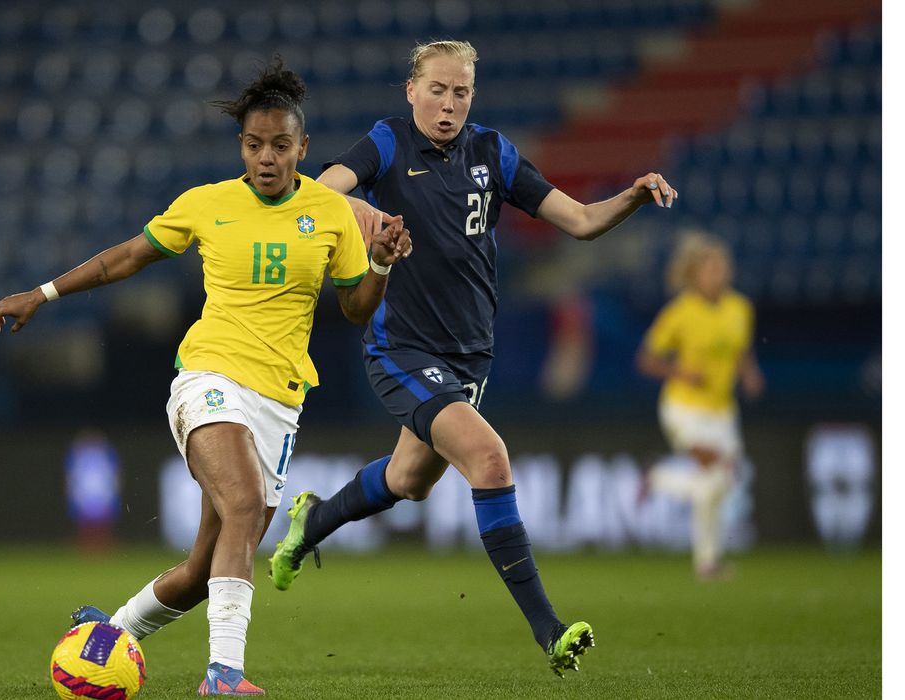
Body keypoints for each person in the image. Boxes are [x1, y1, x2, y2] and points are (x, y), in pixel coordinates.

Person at [0, 60, 410, 696]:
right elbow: (126, 257)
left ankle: (110, 631)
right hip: (206, 377)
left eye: (278, 145)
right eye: (252, 144)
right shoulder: (206, 204)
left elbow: (355, 309)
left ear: (303, 148)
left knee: (201, 568)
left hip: (279, 402)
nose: (265, 157)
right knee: (241, 504)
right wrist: (42, 294)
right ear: (241, 145)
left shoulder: (329, 213)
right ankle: (222, 676)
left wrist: (379, 263)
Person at [267, 39, 678, 677]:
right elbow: (321, 192)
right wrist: (373, 218)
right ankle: (550, 631)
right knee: (489, 459)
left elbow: (580, 220)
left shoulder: (494, 152)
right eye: (437, 89)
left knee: (409, 480)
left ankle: (313, 520)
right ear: (412, 91)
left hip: (469, 356)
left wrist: (631, 195)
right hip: (402, 347)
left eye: (461, 92)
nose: (448, 104)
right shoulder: (388, 141)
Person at [636, 229, 763, 581]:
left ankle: (659, 480)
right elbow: (646, 359)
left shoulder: (740, 309)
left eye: (723, 267)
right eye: (712, 268)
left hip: (722, 410)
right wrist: (680, 372)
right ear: (695, 274)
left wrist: (749, 374)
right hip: (684, 407)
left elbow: (741, 350)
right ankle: (707, 561)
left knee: (717, 483)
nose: (719, 274)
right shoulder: (681, 313)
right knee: (716, 467)